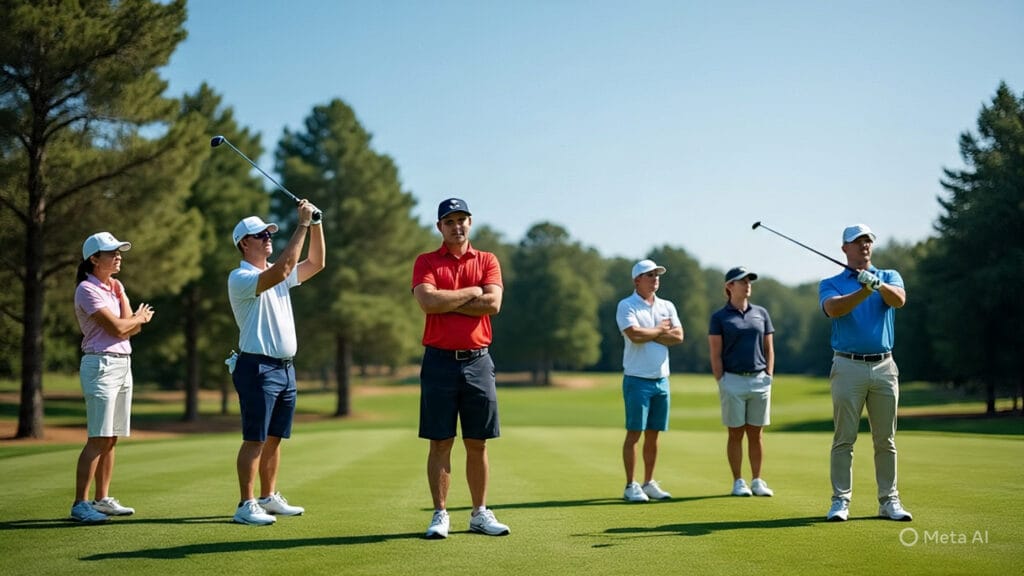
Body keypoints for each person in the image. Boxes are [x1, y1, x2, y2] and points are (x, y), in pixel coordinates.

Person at [411, 198, 510, 539]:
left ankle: (479, 513)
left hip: (478, 361)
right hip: (438, 361)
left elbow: (493, 303)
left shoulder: (487, 260)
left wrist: (447, 300)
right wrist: (471, 292)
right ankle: (440, 514)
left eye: (462, 220)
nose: (457, 226)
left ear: (470, 222)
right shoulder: (426, 261)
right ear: (439, 226)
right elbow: (427, 301)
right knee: (440, 442)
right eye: (450, 221)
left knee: (477, 442)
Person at [227, 200, 324, 525]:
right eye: (260, 235)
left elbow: (316, 263)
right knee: (254, 438)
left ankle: (268, 496)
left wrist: (317, 224)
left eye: (269, 233)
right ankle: (246, 503)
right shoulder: (240, 277)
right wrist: (301, 225)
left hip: (285, 368)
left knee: (274, 436)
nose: (268, 238)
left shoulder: (278, 275)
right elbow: (283, 268)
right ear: (244, 243)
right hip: (257, 367)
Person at [819, 224, 911, 522]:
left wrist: (876, 285)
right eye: (857, 242)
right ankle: (840, 502)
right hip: (847, 366)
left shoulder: (889, 276)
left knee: (886, 439)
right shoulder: (831, 282)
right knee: (844, 438)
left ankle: (889, 501)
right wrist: (862, 290)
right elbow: (834, 309)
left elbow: (898, 300)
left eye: (868, 241)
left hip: (884, 366)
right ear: (844, 248)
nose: (864, 247)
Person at [71, 232, 155, 523]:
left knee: (112, 438)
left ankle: (102, 499)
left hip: (122, 363)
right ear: (94, 259)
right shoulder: (86, 289)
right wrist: (137, 319)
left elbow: (132, 329)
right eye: (111, 252)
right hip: (101, 364)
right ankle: (80, 504)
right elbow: (120, 328)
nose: (118, 256)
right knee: (98, 437)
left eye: (119, 252)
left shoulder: (116, 286)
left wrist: (133, 321)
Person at [615, 259, 685, 502]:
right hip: (637, 379)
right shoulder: (627, 305)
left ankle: (648, 482)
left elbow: (678, 336)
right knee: (635, 433)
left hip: (661, 379)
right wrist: (659, 330)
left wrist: (652, 333)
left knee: (654, 434)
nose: (655, 278)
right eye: (650, 275)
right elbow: (634, 335)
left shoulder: (667, 305)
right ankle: (630, 485)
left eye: (657, 274)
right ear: (637, 280)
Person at [708, 266, 775, 498]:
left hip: (759, 380)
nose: (747, 285)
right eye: (742, 281)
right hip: (732, 381)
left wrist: (769, 375)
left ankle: (757, 480)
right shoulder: (719, 317)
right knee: (735, 434)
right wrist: (721, 380)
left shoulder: (761, 313)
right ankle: (738, 481)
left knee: (756, 435)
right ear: (729, 287)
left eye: (749, 281)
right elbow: (715, 353)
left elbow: (769, 348)